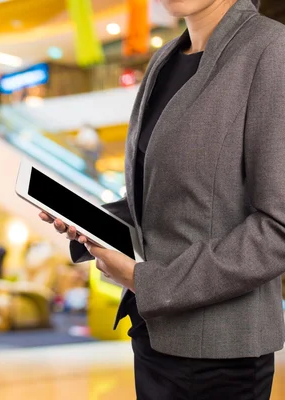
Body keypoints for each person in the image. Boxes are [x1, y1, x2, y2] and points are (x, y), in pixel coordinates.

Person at [40, 0, 284, 398]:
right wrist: (90, 221)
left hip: (220, 356)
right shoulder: (165, 60)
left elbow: (277, 229)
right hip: (154, 338)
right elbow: (158, 199)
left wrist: (148, 281)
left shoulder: (271, 50)